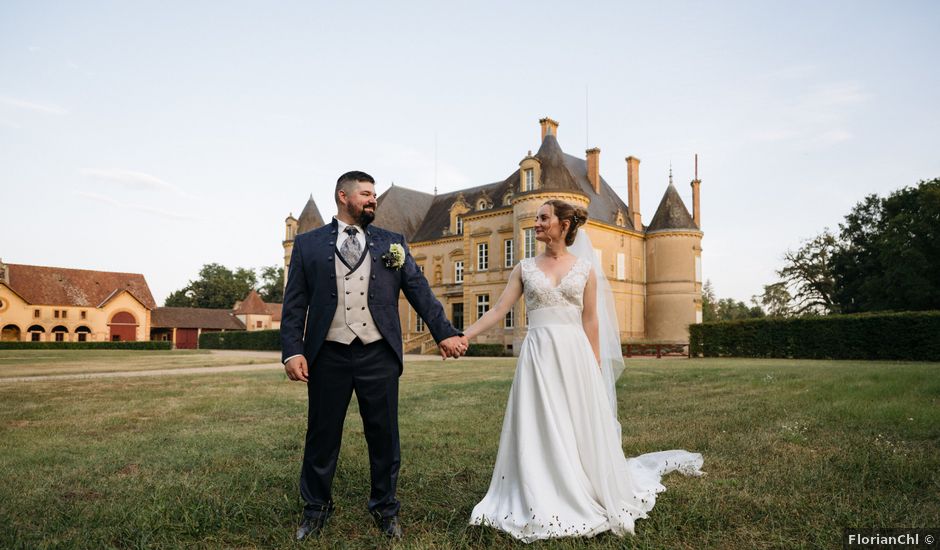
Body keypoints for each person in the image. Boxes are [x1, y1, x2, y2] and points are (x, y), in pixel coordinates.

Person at [465, 199, 704, 543]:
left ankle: (580, 483)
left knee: (574, 422)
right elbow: (499, 310)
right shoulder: (524, 268)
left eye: (544, 218)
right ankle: (540, 486)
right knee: (539, 421)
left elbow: (591, 320)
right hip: (538, 355)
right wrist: (464, 335)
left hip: (574, 355)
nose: (537, 223)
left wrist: (594, 364)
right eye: (536, 217)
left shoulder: (585, 269)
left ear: (563, 225)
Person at [280, 171, 469, 540]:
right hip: (327, 354)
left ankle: (385, 508)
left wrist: (444, 333)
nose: (373, 200)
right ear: (343, 196)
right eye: (366, 194)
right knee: (321, 435)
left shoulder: (391, 242)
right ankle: (315, 509)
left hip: (377, 352)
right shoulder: (307, 245)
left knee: (384, 436)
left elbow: (419, 290)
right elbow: (294, 305)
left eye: (374, 194)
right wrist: (292, 352)